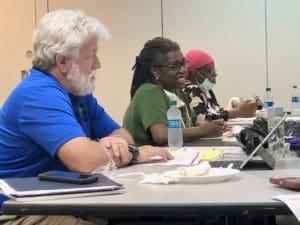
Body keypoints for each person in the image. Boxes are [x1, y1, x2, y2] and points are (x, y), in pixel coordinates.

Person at [0, 9, 173, 225]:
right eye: (91, 56)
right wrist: (135, 154)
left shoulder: (78, 93)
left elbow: (123, 135)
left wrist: (118, 144)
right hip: (17, 210)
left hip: (60, 199)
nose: (97, 64)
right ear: (62, 62)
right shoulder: (38, 93)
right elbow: (84, 160)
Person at [123, 37, 225, 147]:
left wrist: (216, 127)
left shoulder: (177, 92)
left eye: (183, 64)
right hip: (147, 161)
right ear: (155, 71)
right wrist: (203, 131)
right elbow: (161, 135)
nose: (183, 70)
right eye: (174, 66)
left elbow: (193, 122)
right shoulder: (149, 92)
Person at [183, 49, 257, 122]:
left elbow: (216, 112)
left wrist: (238, 109)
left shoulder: (207, 90)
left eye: (214, 70)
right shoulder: (190, 89)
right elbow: (202, 120)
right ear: (194, 73)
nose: (215, 74)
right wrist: (237, 112)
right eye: (210, 71)